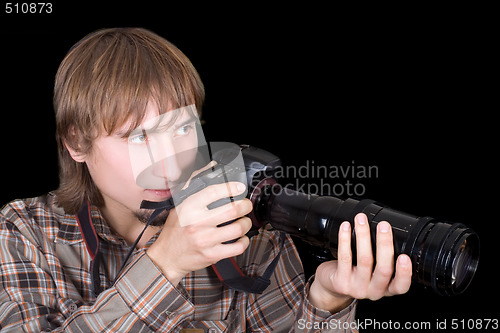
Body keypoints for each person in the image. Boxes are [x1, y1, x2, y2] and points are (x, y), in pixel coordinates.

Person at [0, 28, 412, 332]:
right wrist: (167, 261)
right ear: (77, 142)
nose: (169, 163)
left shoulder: (246, 228)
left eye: (182, 128)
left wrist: (327, 301)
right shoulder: (24, 230)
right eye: (138, 136)